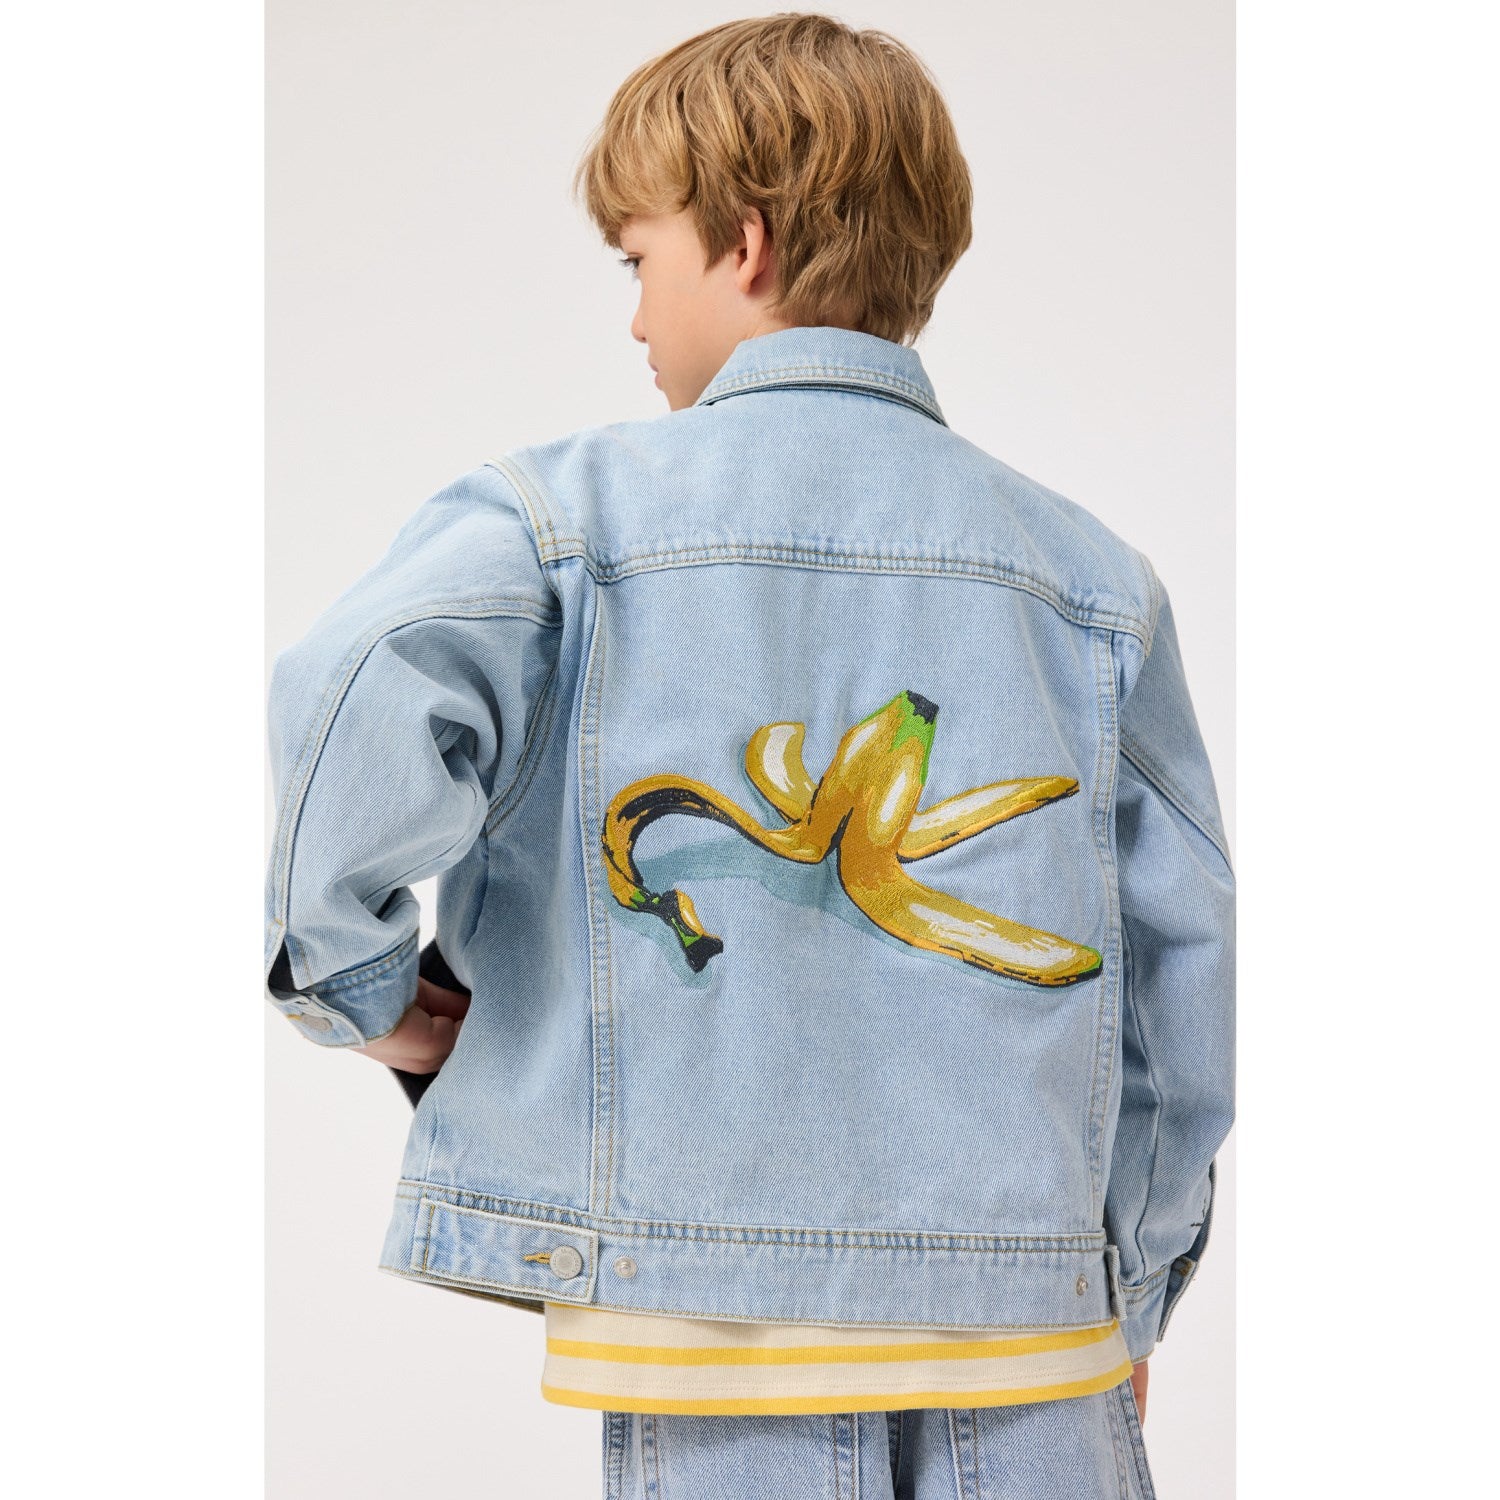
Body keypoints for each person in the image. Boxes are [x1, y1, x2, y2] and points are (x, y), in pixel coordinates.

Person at [263, 14, 1233, 1498]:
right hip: (1032, 1330)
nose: (635, 322)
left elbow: (349, 695)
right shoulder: (1092, 579)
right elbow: (1179, 968)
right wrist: (1133, 1281)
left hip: (708, 1336)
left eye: (637, 262)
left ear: (746, 245)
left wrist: (363, 992)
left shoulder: (560, 521)